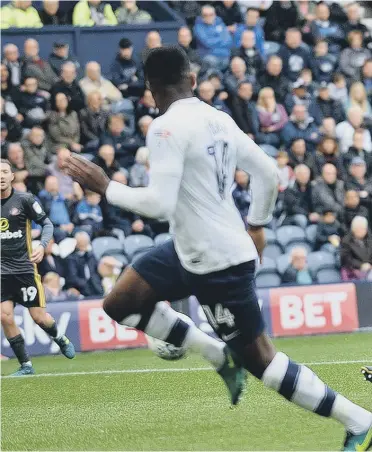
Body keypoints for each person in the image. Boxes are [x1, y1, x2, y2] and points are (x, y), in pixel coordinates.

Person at [64, 46, 372, 449]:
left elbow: (159, 204)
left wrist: (106, 187)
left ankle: (358, 421)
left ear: (149, 89)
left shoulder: (165, 128)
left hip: (217, 262)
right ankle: (215, 353)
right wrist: (257, 225)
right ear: (192, 80)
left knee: (261, 360)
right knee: (120, 302)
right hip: (191, 247)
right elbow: (266, 172)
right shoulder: (218, 119)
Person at [0, 159, 75, 376]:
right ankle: (26, 365)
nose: (1, 176)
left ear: (12, 176)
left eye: (5, 171)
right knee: (4, 316)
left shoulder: (24, 200)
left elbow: (47, 224)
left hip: (24, 270)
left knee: (39, 317)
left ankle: (59, 338)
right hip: (2, 272)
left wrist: (42, 247)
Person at [193, 5, 232, 72]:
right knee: (211, 62)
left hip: (225, 56)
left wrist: (214, 39)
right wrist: (221, 38)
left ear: (215, 14)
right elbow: (208, 43)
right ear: (201, 16)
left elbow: (229, 40)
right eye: (205, 15)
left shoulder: (220, 23)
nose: (208, 17)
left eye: (211, 14)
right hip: (209, 57)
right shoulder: (198, 27)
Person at [65, 231, 104, 296]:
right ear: (77, 243)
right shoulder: (71, 258)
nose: (83, 244)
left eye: (84, 242)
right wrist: (87, 283)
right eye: (81, 242)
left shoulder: (91, 256)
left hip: (96, 286)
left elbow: (98, 271)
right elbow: (72, 277)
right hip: (80, 288)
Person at [38, 175, 74, 243]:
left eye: (54, 184)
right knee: (61, 233)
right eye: (50, 184)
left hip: (69, 226)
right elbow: (44, 217)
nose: (53, 186)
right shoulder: (43, 197)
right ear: (46, 186)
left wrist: (71, 224)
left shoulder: (62, 198)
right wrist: (60, 226)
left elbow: (72, 212)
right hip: (54, 228)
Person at [282, 164, 319, 229]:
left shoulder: (313, 188)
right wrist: (308, 215)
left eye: (306, 174)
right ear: (296, 175)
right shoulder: (290, 188)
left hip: (310, 215)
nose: (305, 176)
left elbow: (317, 203)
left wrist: (317, 213)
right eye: (301, 174)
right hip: (291, 217)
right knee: (301, 219)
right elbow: (293, 208)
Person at [340, 216, 372, 281]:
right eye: (359, 228)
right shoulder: (346, 241)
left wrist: (369, 265)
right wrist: (361, 265)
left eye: (364, 229)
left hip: (369, 268)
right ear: (353, 229)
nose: (362, 231)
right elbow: (346, 259)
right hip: (354, 270)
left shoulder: (370, 240)